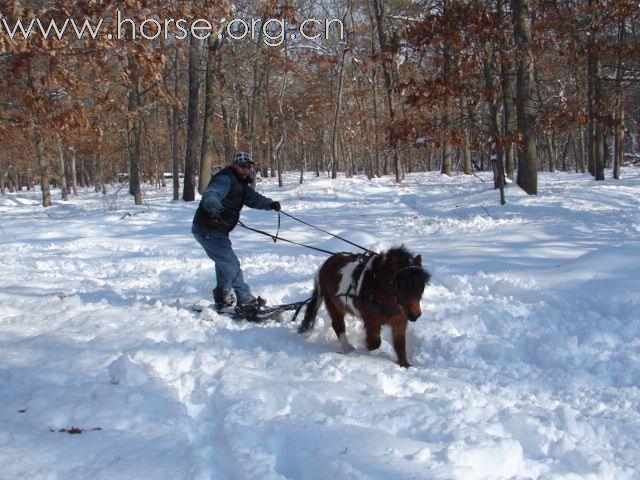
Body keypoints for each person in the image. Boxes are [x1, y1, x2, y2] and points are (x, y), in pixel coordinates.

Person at [192, 152, 281, 316]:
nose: (246, 170)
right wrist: (220, 210)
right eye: (243, 166)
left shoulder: (240, 184)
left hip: (218, 230)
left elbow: (254, 199)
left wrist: (270, 204)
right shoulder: (225, 179)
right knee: (231, 263)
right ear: (235, 165)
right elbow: (209, 196)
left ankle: (222, 297)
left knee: (224, 263)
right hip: (207, 228)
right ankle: (245, 300)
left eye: (248, 167)